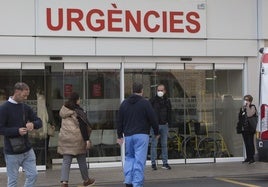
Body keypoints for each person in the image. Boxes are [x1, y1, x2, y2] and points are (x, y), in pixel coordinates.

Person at [117, 82, 159, 187]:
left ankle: (128, 181)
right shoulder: (145, 103)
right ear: (142, 90)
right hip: (141, 135)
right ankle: (137, 183)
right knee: (139, 161)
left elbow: (119, 120)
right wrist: (156, 132)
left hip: (128, 136)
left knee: (129, 158)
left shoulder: (124, 103)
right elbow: (153, 118)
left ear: (132, 90)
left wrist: (119, 135)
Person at [0, 82, 42, 187]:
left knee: (33, 175)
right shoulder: (4, 108)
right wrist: (16, 131)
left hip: (27, 149)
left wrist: (33, 124)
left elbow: (39, 121)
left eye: (27, 95)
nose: (26, 98)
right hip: (12, 151)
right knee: (13, 181)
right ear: (17, 92)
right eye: (24, 95)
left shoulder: (26, 107)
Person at [57, 92, 95, 187]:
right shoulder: (78, 111)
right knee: (81, 159)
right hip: (77, 139)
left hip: (65, 138)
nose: (80, 100)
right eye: (79, 99)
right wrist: (87, 140)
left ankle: (64, 182)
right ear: (76, 100)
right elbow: (83, 126)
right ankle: (86, 180)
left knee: (66, 160)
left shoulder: (64, 110)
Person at [149, 84, 172, 170]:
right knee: (154, 145)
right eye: (158, 90)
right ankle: (153, 163)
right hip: (155, 126)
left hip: (165, 125)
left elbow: (170, 112)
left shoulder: (167, 101)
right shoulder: (152, 101)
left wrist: (169, 123)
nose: (160, 92)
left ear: (165, 91)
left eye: (161, 90)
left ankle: (165, 163)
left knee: (164, 145)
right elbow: (150, 114)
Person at [237, 94, 257, 164]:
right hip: (244, 129)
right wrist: (242, 110)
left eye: (247, 100)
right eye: (245, 99)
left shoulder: (252, 107)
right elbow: (240, 117)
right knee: (246, 143)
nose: (245, 101)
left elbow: (249, 115)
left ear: (250, 101)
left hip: (250, 129)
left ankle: (252, 158)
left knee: (250, 143)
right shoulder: (243, 108)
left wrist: (248, 106)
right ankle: (248, 157)